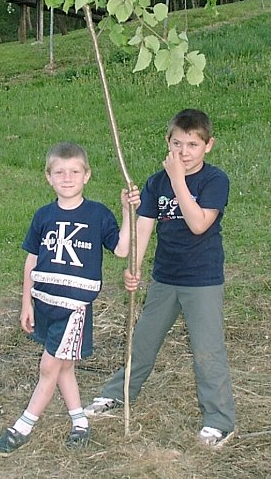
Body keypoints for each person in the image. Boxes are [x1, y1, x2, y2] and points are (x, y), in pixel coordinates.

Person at [83, 109, 236, 447]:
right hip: (164, 278)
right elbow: (144, 228)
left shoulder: (214, 181)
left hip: (202, 280)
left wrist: (178, 179)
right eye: (177, 143)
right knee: (142, 342)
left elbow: (198, 224)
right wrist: (133, 269)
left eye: (193, 144)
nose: (184, 152)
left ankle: (219, 420)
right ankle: (117, 395)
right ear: (167, 143)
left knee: (207, 351)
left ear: (208, 146)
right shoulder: (155, 183)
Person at [0, 141, 140, 457]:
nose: (67, 178)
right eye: (60, 172)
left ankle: (22, 428)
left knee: (48, 368)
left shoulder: (97, 214)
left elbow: (123, 249)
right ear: (49, 177)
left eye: (74, 172)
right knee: (63, 368)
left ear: (87, 176)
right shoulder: (43, 216)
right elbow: (31, 259)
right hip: (44, 303)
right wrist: (26, 303)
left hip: (74, 309)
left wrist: (127, 211)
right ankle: (80, 422)